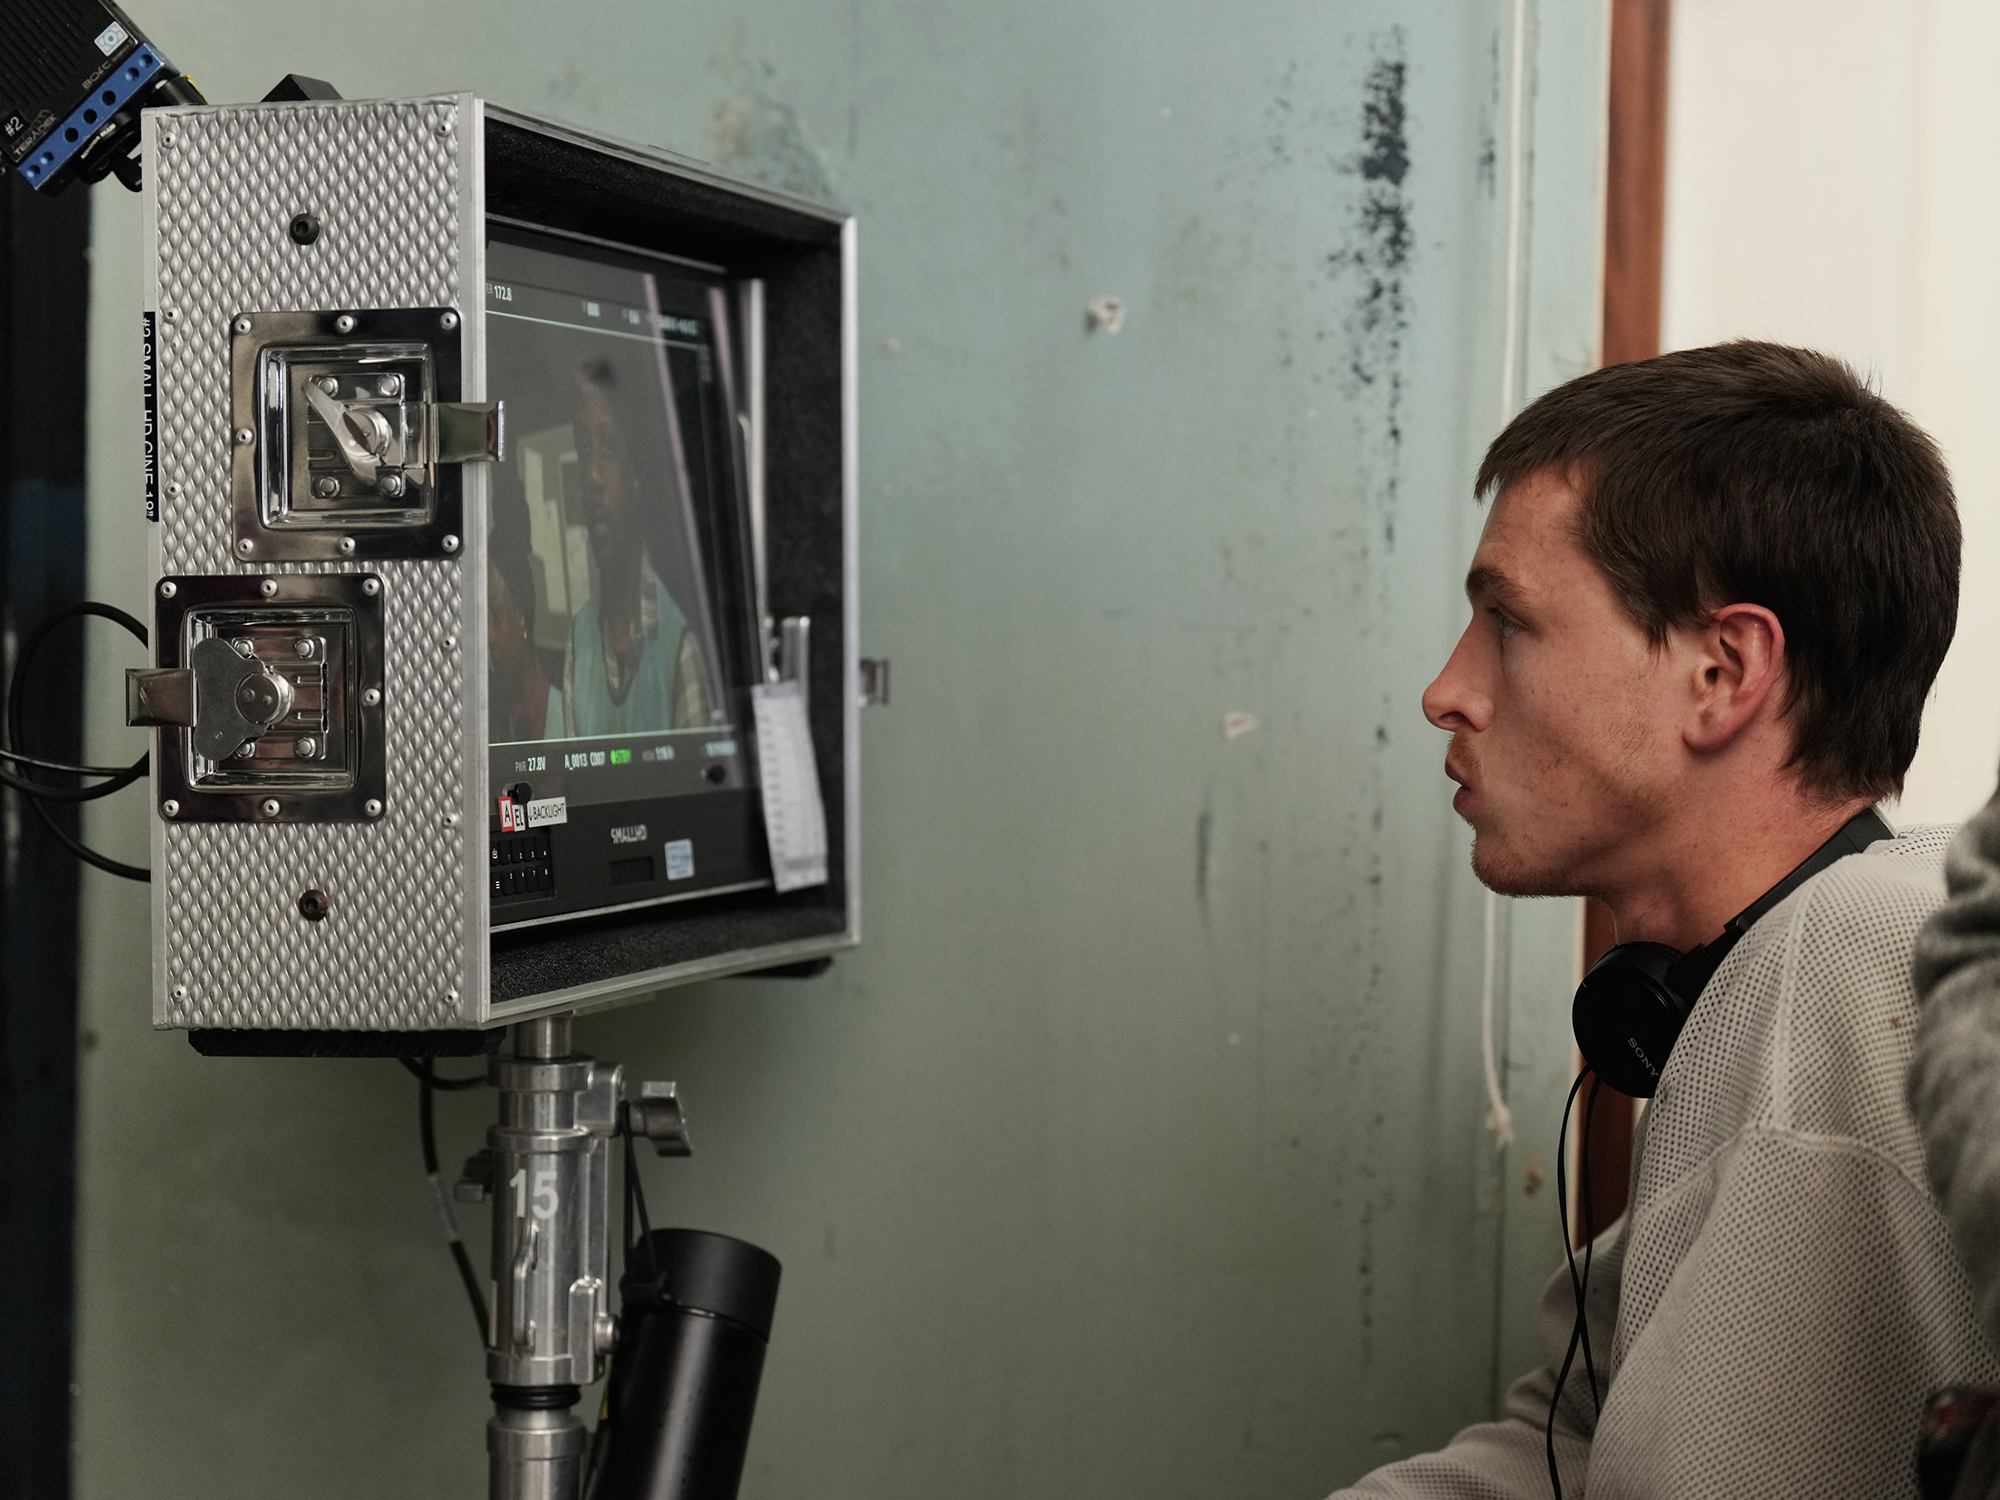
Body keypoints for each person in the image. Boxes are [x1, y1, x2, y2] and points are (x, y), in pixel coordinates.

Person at [1334, 342, 1995, 1499]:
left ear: (1721, 673)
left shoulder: (1843, 960)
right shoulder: (1777, 975)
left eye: (1506, 621)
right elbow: (1571, 1449)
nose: (1447, 691)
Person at [558, 358, 713, 737]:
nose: (592, 474)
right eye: (584, 450)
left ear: (637, 477)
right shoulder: (580, 638)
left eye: (609, 449)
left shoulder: (683, 639)